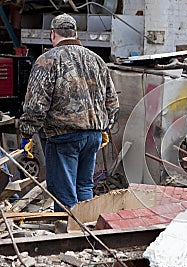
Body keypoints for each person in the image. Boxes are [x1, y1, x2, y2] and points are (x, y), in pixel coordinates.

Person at [19, 13, 119, 212]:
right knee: (84, 187)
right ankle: (87, 235)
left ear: (53, 34)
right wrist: (104, 126)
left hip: (63, 137)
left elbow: (36, 104)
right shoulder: (96, 60)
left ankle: (70, 237)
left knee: (64, 193)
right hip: (93, 136)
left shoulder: (47, 60)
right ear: (75, 33)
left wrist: (27, 133)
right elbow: (112, 102)